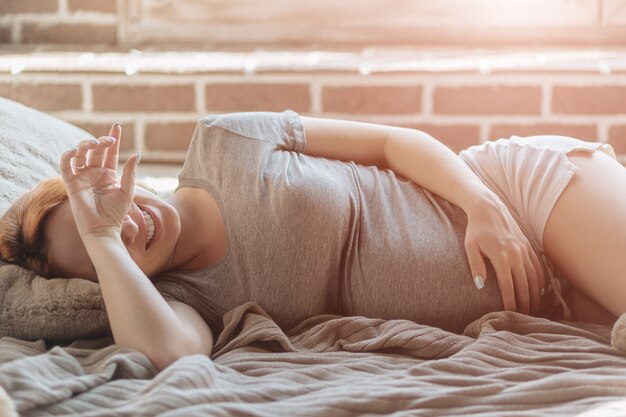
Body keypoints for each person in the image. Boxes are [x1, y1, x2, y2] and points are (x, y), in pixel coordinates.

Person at [0, 110, 623, 372]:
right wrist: (100, 233)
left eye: (120, 208)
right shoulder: (191, 304)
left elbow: (389, 143)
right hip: (545, 301)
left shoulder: (222, 142)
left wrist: (480, 204)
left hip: (519, 198)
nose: (132, 225)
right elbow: (171, 358)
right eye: (113, 240)